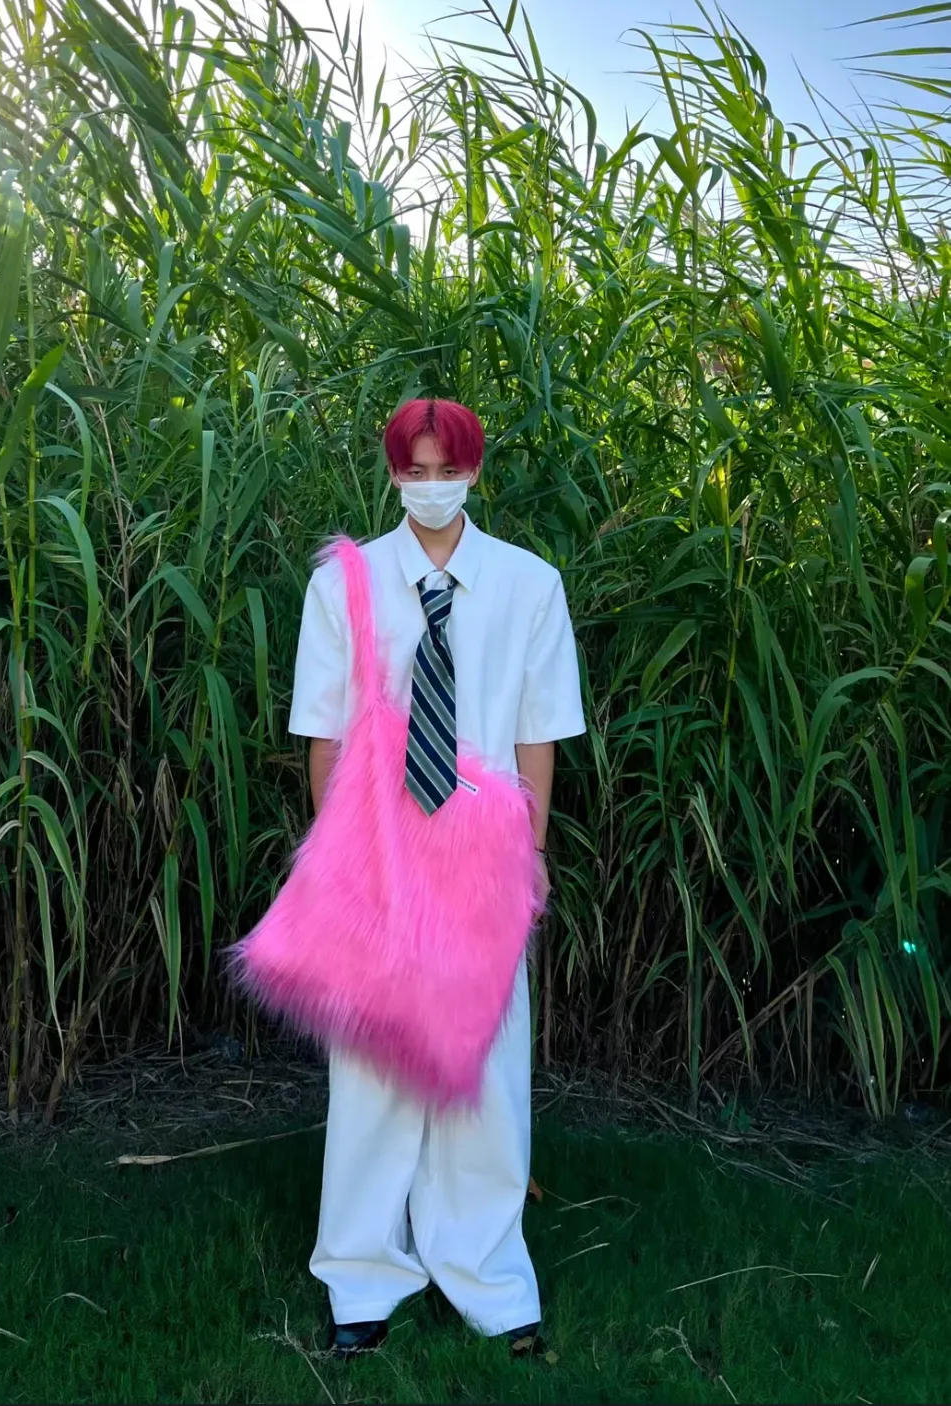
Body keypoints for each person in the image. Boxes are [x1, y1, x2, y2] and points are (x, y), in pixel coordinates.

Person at [288, 397, 587, 1359]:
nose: (430, 487)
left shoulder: (528, 584)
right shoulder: (344, 583)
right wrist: (341, 858)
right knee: (373, 1067)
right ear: (391, 475)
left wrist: (528, 853)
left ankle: (485, 1270)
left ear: (474, 471)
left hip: (483, 853)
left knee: (485, 1069)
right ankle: (362, 1275)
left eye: (446, 470)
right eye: (412, 472)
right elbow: (324, 733)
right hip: (379, 847)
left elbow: (538, 731)